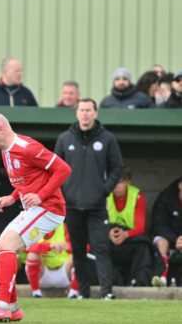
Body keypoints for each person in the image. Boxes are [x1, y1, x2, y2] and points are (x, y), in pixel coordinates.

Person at [0, 112, 71, 322]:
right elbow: (27, 179)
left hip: (50, 208)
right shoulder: (5, 151)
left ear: (0, 129)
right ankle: (13, 308)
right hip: (36, 209)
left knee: (7, 247)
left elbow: (63, 169)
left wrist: (41, 196)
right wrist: (12, 196)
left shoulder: (27, 148)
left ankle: (1, 306)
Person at [54, 98, 124, 299]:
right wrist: (64, 192)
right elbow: (55, 169)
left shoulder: (107, 138)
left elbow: (117, 166)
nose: (85, 113)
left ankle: (106, 293)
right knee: (78, 251)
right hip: (73, 206)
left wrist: (105, 189)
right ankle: (83, 293)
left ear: (96, 113)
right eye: (81, 110)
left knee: (101, 248)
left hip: (97, 207)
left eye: (88, 110)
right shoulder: (64, 139)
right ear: (76, 113)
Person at [106, 170, 155, 287]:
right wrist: (108, 232)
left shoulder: (137, 196)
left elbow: (140, 227)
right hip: (110, 236)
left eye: (120, 182)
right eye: (113, 182)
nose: (116, 186)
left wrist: (125, 234)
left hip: (130, 238)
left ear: (128, 182)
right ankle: (110, 282)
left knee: (143, 247)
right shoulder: (105, 194)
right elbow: (98, 222)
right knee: (97, 245)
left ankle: (137, 283)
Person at [24, 224, 78, 298]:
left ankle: (73, 294)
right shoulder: (35, 228)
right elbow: (26, 248)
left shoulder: (63, 226)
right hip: (42, 275)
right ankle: (36, 293)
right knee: (32, 255)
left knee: (78, 256)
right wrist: (50, 246)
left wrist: (67, 246)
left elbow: (83, 247)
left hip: (65, 273)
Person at [151, 177, 182, 287]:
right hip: (168, 238)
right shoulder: (166, 198)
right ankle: (162, 276)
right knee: (162, 242)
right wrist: (175, 239)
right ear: (180, 186)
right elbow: (159, 225)